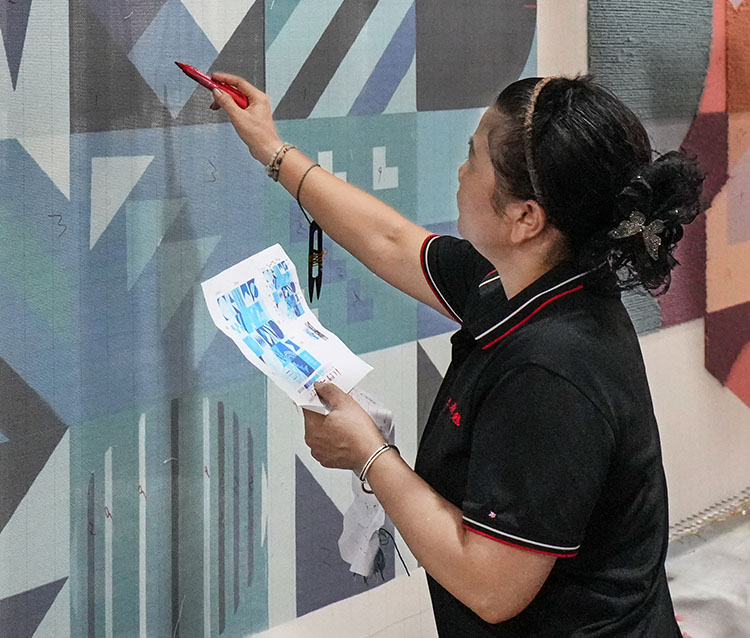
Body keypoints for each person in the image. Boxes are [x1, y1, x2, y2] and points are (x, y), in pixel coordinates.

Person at [210, 73, 703, 637]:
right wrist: (273, 151)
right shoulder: (530, 278)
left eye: (474, 157)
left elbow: (493, 587)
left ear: (526, 218)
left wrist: (370, 455)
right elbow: (393, 242)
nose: (460, 171)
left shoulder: (553, 369)